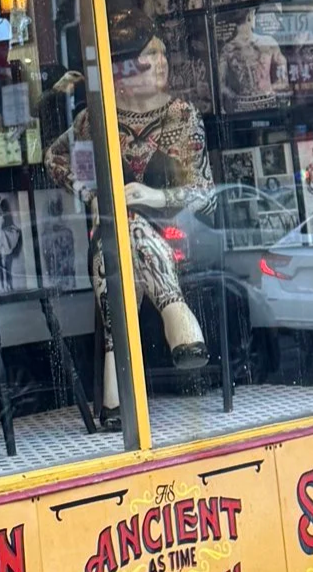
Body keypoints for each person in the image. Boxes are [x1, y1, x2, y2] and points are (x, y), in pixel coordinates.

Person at [46, 24, 212, 370]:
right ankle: (175, 314)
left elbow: (205, 194)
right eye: (151, 54)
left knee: (124, 232)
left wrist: (153, 196)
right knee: (122, 231)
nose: (162, 61)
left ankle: (114, 383)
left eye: (163, 52)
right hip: (116, 235)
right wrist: (90, 194)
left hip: (179, 234)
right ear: (122, 68)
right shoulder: (96, 117)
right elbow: (53, 156)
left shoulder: (181, 115)